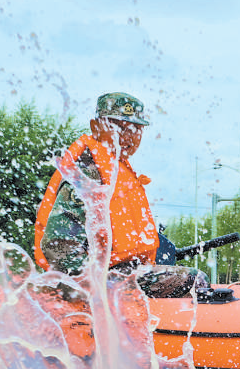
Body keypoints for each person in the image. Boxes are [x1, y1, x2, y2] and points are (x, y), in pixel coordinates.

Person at [34, 92, 208, 298]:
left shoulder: (115, 168)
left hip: (119, 273)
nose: (128, 137)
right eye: (118, 127)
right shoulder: (87, 173)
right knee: (195, 279)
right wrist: (91, 287)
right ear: (96, 127)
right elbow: (58, 244)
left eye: (136, 129)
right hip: (97, 283)